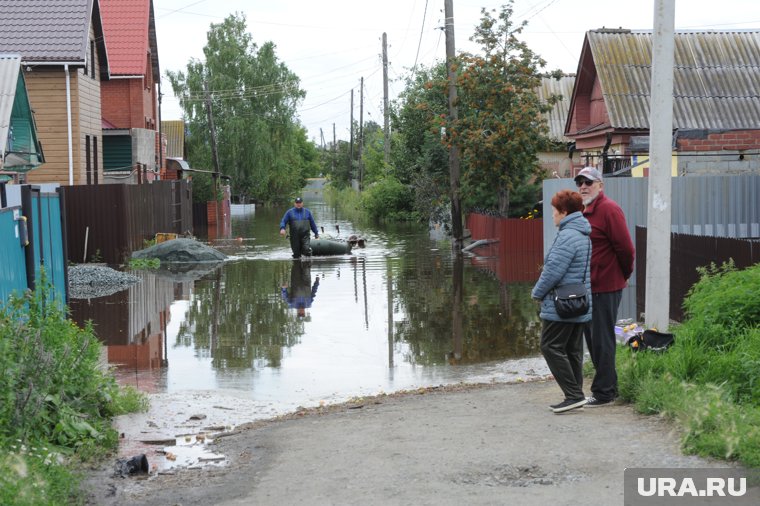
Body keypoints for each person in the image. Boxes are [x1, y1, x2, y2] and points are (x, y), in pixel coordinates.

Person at [574, 167, 635, 407]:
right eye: (580, 182)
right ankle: (607, 387)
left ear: (601, 185)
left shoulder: (609, 209)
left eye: (588, 182)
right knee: (594, 338)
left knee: (602, 339)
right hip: (590, 287)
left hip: (606, 285)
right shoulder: (585, 211)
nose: (583, 186)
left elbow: (626, 249)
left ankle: (605, 392)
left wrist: (624, 274)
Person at [532, 190, 592, 414]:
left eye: (554, 212)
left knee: (550, 346)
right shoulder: (582, 233)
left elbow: (552, 272)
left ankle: (574, 395)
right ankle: (575, 394)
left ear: (564, 213)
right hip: (579, 300)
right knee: (571, 349)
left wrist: (537, 293)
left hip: (562, 303)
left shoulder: (567, 236)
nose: (552, 216)